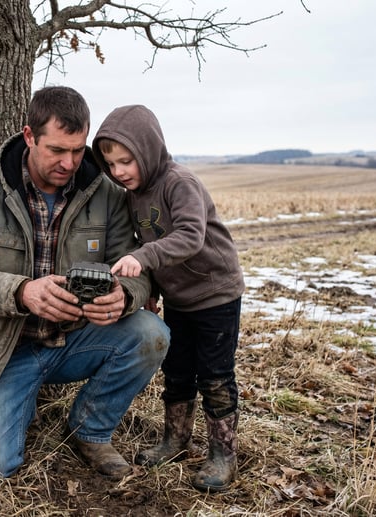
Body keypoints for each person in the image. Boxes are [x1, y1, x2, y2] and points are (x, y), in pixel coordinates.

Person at [0, 87, 170, 484]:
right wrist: (22, 292)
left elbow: (137, 268)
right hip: (1, 352)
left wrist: (123, 297)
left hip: (76, 340)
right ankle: (16, 399)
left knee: (151, 333)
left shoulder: (106, 194)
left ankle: (90, 430)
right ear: (29, 136)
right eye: (57, 150)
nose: (70, 162)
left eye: (78, 150)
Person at [92, 104, 245, 492]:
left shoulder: (180, 183)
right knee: (176, 372)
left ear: (148, 148)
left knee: (214, 376)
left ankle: (223, 454)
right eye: (111, 164)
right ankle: (175, 440)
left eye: (126, 160)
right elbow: (149, 242)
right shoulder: (133, 196)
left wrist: (141, 260)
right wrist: (151, 293)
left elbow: (190, 237)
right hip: (179, 300)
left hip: (215, 296)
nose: (119, 172)